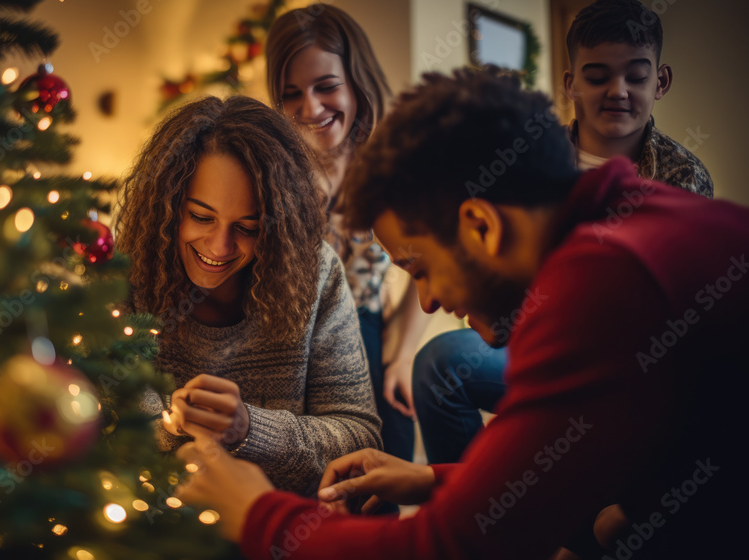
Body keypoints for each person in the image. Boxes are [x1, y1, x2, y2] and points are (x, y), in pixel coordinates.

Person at [174, 68, 746, 559]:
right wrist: (433, 478)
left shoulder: (603, 282)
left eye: (421, 268)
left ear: (481, 227)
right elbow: (571, 475)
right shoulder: (634, 218)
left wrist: (254, 512)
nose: (426, 302)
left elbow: (450, 548)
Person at [411, 0, 715, 465]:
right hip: (531, 334)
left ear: (662, 81)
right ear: (571, 83)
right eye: (597, 76)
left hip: (628, 362)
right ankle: (479, 512)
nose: (618, 91)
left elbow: (679, 312)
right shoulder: (525, 159)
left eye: (636, 75)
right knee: (440, 363)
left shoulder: (684, 178)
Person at [115, 95, 382, 496]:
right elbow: (98, 430)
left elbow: (361, 439)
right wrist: (173, 428)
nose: (220, 247)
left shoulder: (314, 273)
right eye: (201, 217)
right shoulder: (126, 273)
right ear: (165, 205)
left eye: (249, 227)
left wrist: (250, 430)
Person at [266, 3, 430, 463]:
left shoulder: (393, 166)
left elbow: (428, 271)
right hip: (285, 328)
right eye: (292, 93)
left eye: (326, 86)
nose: (311, 108)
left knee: (388, 428)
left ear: (356, 79)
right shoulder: (274, 167)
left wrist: (402, 358)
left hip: (364, 324)